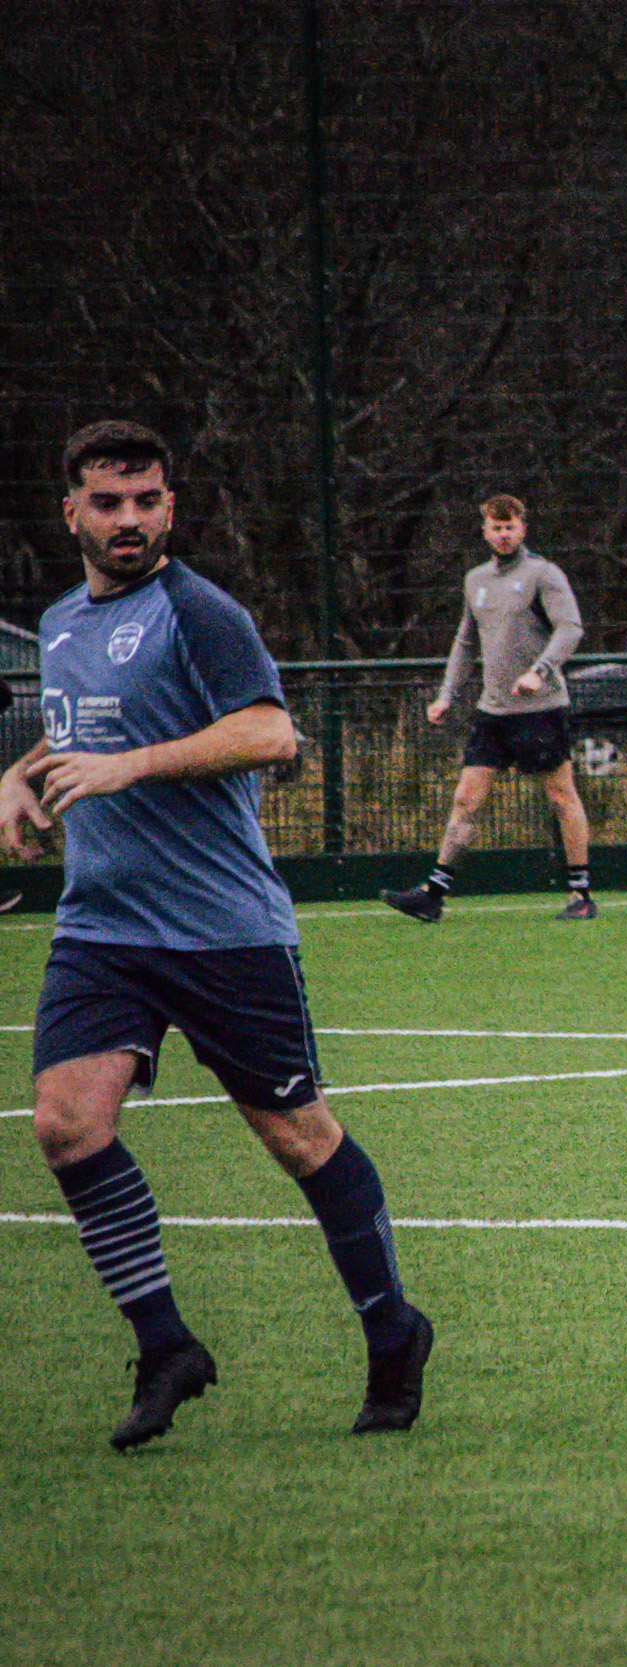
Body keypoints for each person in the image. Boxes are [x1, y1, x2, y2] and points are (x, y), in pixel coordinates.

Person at [2, 421, 432, 1449]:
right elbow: (88, 722)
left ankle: (393, 1328)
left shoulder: (200, 611)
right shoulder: (59, 622)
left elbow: (271, 730)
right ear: (70, 512)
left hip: (221, 929)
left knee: (299, 1138)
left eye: (148, 500)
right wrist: (19, 774)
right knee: (66, 1123)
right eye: (109, 502)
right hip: (102, 927)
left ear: (170, 507)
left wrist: (131, 766)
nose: (130, 519)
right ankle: (166, 1346)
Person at [382, 493, 593, 922]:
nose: (504, 535)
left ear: (523, 528)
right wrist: (446, 694)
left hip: (540, 709)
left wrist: (540, 671)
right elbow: (465, 641)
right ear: (484, 532)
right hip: (492, 712)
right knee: (466, 799)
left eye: (510, 527)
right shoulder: (475, 580)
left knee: (560, 796)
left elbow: (570, 628)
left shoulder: (543, 574)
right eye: (496, 528)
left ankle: (581, 895)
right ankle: (433, 896)